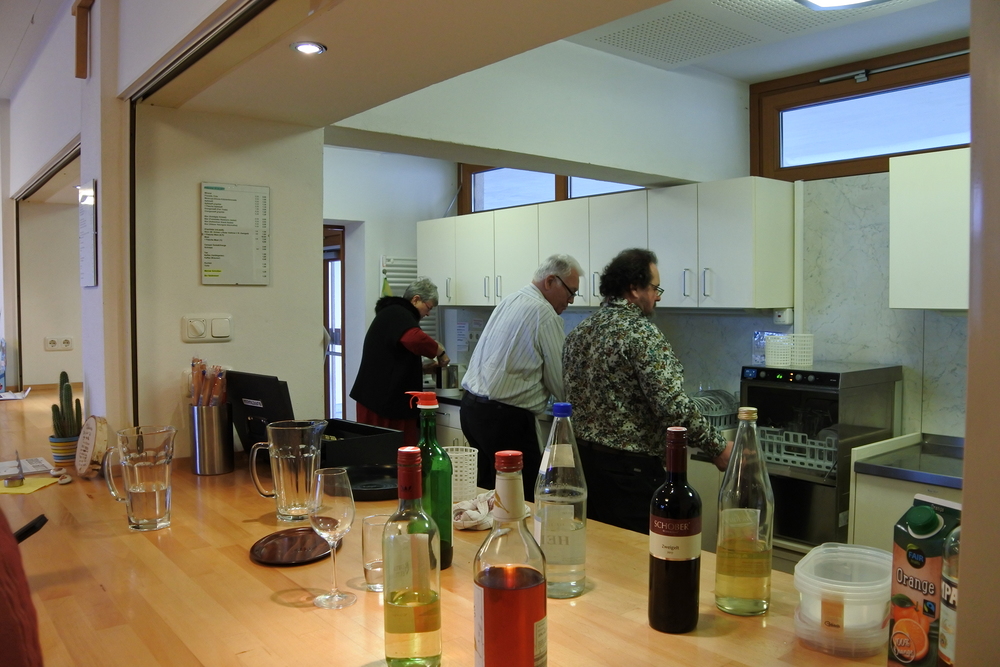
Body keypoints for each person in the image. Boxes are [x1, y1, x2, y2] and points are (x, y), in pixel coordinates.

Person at [563, 248, 733, 534]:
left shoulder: (580, 331)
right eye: (655, 288)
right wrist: (717, 446)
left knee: (598, 548)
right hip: (629, 473)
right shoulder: (641, 333)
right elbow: (672, 405)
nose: (658, 296)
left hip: (583, 464)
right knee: (637, 555)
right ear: (634, 288)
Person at [460, 254, 582, 501]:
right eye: (571, 292)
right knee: (522, 497)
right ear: (550, 281)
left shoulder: (511, 299)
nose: (570, 300)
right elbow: (561, 381)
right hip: (505, 420)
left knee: (488, 496)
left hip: (472, 410)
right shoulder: (544, 314)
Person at [350, 277, 449, 445]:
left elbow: (392, 359)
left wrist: (423, 369)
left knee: (378, 450)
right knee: (387, 451)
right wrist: (440, 352)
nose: (428, 314)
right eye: (428, 307)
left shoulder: (392, 314)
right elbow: (415, 340)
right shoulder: (398, 313)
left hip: (376, 398)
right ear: (416, 299)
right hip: (383, 403)